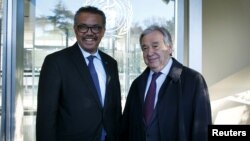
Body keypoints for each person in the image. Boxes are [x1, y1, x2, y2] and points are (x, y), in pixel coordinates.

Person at [36, 6, 122, 141]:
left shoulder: (111, 63)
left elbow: (116, 109)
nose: (89, 33)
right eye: (83, 27)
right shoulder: (56, 62)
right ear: (75, 29)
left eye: (96, 27)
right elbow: (46, 117)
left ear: (103, 31)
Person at [120, 25, 212, 141]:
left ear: (169, 47)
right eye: (145, 48)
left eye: (155, 46)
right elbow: (126, 128)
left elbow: (202, 130)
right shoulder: (137, 84)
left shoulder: (193, 81)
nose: (149, 53)